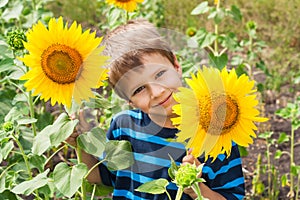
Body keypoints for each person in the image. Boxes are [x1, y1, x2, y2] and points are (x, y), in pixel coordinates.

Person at [67, 19, 245, 200]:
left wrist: (196, 188)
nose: (157, 92)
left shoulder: (216, 134)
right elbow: (104, 176)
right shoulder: (123, 126)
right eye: (139, 89)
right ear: (130, 101)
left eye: (159, 74)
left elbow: (231, 196)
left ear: (176, 65)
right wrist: (79, 145)